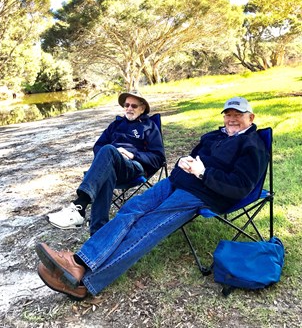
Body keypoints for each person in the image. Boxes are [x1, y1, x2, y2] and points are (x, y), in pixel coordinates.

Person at [36, 96, 269, 300]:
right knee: (131, 209)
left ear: (251, 117)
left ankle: (84, 281)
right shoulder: (213, 135)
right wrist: (184, 162)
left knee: (147, 226)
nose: (231, 119)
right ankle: (79, 262)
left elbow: (240, 186)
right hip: (177, 181)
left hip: (202, 193)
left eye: (238, 115)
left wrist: (203, 173)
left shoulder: (252, 144)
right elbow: (194, 155)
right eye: (228, 115)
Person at [47, 91, 165, 236]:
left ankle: (79, 206)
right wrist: (110, 157)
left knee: (109, 150)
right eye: (126, 105)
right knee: (107, 165)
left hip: (134, 167)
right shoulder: (116, 125)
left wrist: (132, 154)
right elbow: (98, 146)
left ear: (142, 108)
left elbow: (159, 157)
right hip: (112, 165)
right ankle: (98, 233)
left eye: (134, 105)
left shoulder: (149, 127)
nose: (129, 108)